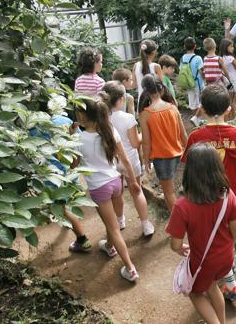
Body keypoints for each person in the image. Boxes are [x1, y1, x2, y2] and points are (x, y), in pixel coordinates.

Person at [181, 85, 236, 301]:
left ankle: (223, 273)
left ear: (201, 109)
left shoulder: (196, 136)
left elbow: (189, 167)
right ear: (229, 110)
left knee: (209, 233)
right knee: (230, 231)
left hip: (204, 197)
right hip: (232, 195)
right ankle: (228, 271)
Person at [167, 143, 236, 324]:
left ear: (190, 171)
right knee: (213, 287)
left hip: (203, 260)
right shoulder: (227, 195)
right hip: (226, 257)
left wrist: (180, 249)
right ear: (217, 167)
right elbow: (235, 229)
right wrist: (228, 246)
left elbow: (175, 244)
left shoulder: (182, 206)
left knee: (195, 293)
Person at [74, 98, 140, 281]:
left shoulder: (78, 138)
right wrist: (133, 182)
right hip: (116, 182)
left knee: (113, 228)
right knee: (116, 223)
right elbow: (125, 160)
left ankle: (130, 268)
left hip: (99, 187)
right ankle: (109, 246)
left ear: (81, 116)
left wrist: (69, 138)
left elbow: (73, 164)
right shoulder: (109, 130)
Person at [30, 97, 90, 252]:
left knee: (61, 207)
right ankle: (69, 220)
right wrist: (75, 164)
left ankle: (82, 239)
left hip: (53, 176)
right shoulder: (64, 119)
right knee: (67, 199)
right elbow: (77, 141)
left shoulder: (34, 127)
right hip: (69, 170)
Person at [102, 81, 155, 237]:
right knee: (136, 191)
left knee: (117, 195)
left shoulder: (102, 119)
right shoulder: (128, 118)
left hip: (112, 163)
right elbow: (134, 143)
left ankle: (120, 221)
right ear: (121, 99)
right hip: (130, 161)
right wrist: (141, 134)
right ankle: (146, 225)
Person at [139, 74, 187, 214]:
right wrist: (189, 149)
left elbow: (146, 143)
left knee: (168, 192)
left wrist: (146, 160)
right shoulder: (173, 107)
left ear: (146, 92)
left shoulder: (145, 114)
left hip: (161, 158)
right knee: (175, 188)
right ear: (161, 90)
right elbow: (183, 134)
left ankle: (177, 221)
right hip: (178, 153)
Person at [179, 37, 205, 127]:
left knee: (193, 103)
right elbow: (201, 71)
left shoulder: (182, 58)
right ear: (195, 46)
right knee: (203, 102)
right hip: (198, 83)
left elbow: (181, 71)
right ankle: (196, 118)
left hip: (188, 84)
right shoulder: (198, 58)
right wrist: (204, 78)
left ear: (184, 46)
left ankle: (197, 120)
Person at [132, 39, 164, 103]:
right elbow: (161, 86)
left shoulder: (136, 66)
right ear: (154, 52)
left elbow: (134, 85)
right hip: (155, 101)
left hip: (141, 101)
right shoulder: (156, 67)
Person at [219, 38, 236, 119]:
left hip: (225, 81)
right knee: (232, 100)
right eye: (231, 46)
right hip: (232, 81)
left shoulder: (220, 58)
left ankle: (226, 117)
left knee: (227, 99)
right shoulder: (230, 58)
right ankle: (233, 118)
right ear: (226, 48)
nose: (233, 48)